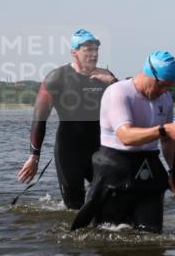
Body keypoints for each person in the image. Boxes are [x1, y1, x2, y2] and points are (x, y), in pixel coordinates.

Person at [70, 52, 175, 233]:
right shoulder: (119, 92)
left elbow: (167, 141)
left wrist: (174, 170)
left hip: (149, 170)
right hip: (114, 171)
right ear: (149, 74)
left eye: (169, 86)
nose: (164, 91)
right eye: (162, 85)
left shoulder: (166, 98)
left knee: (152, 237)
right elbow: (126, 137)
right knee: (105, 237)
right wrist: (164, 129)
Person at [17, 29, 116, 209]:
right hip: (69, 152)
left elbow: (125, 107)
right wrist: (34, 156)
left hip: (101, 150)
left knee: (112, 199)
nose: (94, 54)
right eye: (88, 50)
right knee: (74, 206)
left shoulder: (107, 76)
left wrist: (113, 82)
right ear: (74, 52)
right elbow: (39, 119)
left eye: (96, 50)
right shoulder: (57, 78)